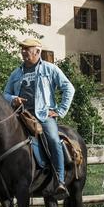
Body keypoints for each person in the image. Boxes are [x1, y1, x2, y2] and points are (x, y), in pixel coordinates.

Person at [4, 38, 75, 198]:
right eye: (22, 48)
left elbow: (69, 88)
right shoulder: (16, 73)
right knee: (1, 138)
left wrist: (60, 110)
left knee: (53, 140)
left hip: (43, 115)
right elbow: (5, 93)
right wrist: (13, 99)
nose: (23, 51)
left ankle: (60, 181)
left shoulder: (50, 69)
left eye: (27, 49)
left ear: (37, 51)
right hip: (20, 115)